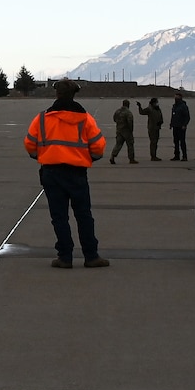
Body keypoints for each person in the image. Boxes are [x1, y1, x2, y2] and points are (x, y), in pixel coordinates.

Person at [23, 79, 109, 269]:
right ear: (74, 94)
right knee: (84, 215)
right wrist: (86, 158)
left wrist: (43, 155)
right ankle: (91, 256)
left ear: (57, 94)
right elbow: (98, 147)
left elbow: (30, 144)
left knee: (59, 217)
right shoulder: (85, 119)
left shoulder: (42, 118)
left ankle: (65, 257)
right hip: (77, 173)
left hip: (51, 173)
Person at [110, 99, 138, 164]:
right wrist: (131, 130)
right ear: (128, 105)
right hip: (127, 131)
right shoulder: (128, 112)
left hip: (119, 130)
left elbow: (114, 119)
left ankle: (112, 156)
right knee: (130, 145)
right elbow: (130, 122)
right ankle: (131, 159)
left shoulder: (118, 111)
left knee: (118, 144)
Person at [138, 96, 165, 162]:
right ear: (153, 103)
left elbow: (161, 116)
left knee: (155, 143)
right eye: (156, 102)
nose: (157, 103)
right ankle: (153, 156)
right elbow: (142, 112)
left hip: (157, 128)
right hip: (152, 128)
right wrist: (139, 106)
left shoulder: (158, 109)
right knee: (153, 142)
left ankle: (154, 155)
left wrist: (161, 122)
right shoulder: (149, 109)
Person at [170, 95, 192, 161]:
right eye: (175, 98)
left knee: (182, 142)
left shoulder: (183, 106)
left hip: (181, 127)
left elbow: (187, 117)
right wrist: (171, 124)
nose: (176, 99)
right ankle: (176, 156)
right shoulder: (174, 106)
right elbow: (173, 116)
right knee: (175, 142)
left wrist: (184, 125)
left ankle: (184, 156)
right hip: (175, 126)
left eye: (177, 98)